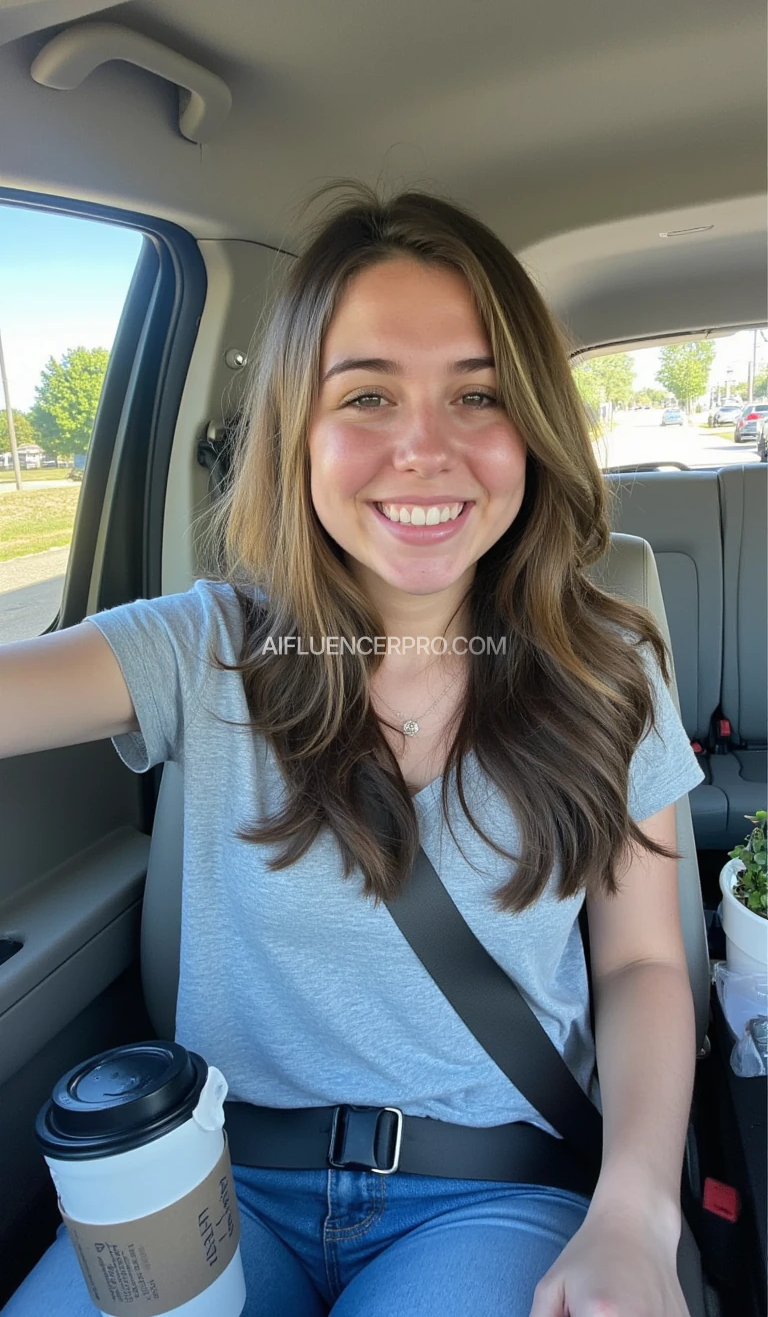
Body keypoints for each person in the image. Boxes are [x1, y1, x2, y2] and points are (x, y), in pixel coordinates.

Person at [1, 183, 704, 1316]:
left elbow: (642, 965)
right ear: (299, 431)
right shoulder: (202, 647)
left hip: (488, 1190)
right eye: (368, 394)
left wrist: (636, 1209)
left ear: (532, 426)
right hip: (207, 1177)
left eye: (478, 394)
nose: (424, 449)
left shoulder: (609, 670)